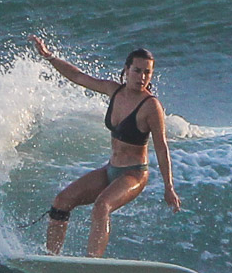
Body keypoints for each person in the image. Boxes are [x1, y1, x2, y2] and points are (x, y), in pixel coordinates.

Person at [29, 36, 181, 257]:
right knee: (61, 201)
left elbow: (162, 147)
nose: (142, 77)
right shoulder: (114, 91)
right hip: (110, 170)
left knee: (102, 205)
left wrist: (169, 187)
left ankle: (92, 264)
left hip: (134, 174)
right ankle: (52, 259)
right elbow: (78, 77)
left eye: (147, 72)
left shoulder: (151, 106)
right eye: (137, 71)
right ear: (126, 70)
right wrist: (49, 57)